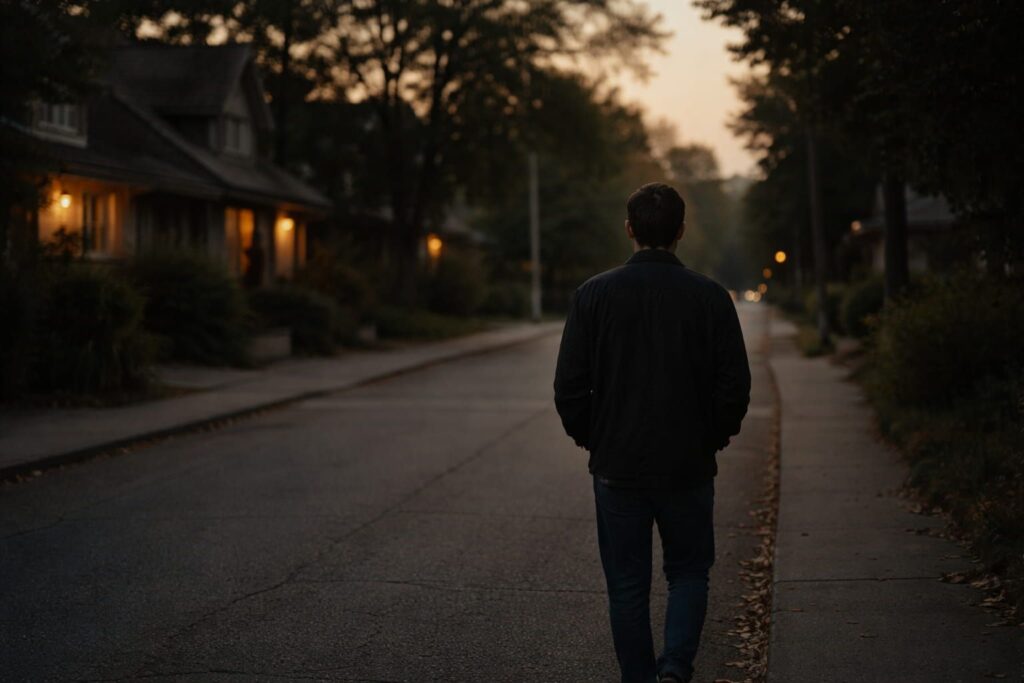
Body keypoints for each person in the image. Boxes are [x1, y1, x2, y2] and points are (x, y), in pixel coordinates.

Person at [553, 182, 751, 683]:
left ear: (629, 229)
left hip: (618, 466)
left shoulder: (592, 295)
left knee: (626, 586)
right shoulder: (710, 298)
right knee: (687, 573)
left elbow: (569, 390)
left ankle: (641, 678)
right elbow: (734, 387)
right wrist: (713, 436)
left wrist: (595, 439)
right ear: (681, 231)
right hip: (687, 464)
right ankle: (675, 670)